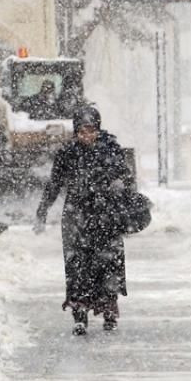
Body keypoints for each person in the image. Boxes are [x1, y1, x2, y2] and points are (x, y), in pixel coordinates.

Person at [34, 106, 134, 335]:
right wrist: (43, 209)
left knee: (109, 265)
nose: (87, 136)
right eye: (82, 131)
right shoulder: (67, 153)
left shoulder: (111, 149)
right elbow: (54, 183)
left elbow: (126, 179)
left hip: (106, 217)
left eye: (91, 131)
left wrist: (125, 201)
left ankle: (109, 312)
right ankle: (79, 315)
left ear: (98, 129)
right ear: (76, 131)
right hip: (76, 217)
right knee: (77, 268)